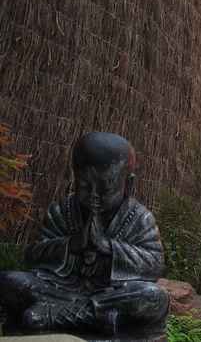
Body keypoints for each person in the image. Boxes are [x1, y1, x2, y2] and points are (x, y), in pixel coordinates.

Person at [0, 132, 169, 336]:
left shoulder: (140, 218)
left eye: (105, 189)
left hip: (111, 294)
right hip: (62, 290)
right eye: (85, 186)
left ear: (128, 184)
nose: (94, 195)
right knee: (8, 280)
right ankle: (93, 317)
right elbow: (34, 256)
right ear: (75, 178)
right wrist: (71, 245)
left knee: (153, 296)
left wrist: (109, 247)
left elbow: (155, 264)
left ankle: (63, 315)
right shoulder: (62, 211)